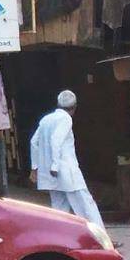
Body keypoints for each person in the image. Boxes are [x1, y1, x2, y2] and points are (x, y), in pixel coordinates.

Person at [29, 90, 108, 231]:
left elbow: (34, 142)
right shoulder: (66, 119)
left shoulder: (46, 119)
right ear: (74, 107)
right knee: (85, 204)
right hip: (65, 170)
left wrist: (35, 167)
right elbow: (56, 140)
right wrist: (55, 165)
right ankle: (98, 235)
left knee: (59, 209)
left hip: (51, 174)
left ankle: (60, 237)